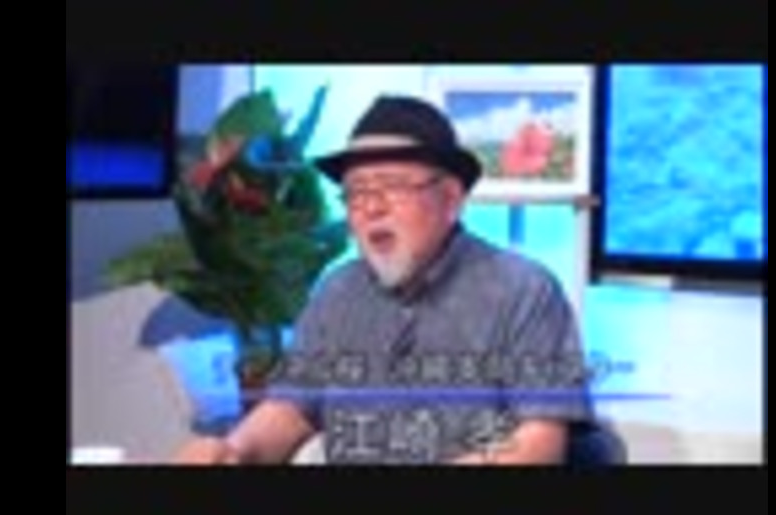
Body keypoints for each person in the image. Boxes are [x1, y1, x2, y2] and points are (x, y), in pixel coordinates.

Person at [174, 95, 596, 465]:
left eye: (392, 186)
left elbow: (538, 444)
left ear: (451, 200)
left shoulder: (522, 290)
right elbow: (292, 409)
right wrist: (234, 450)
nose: (371, 207)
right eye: (357, 191)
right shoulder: (337, 292)